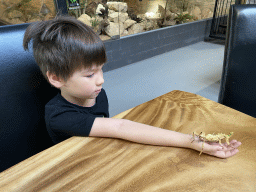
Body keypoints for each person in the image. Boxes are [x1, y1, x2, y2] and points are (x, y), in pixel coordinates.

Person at [23, 15, 241, 159]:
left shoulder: (97, 93)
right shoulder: (59, 116)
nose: (101, 80)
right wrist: (190, 141)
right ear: (56, 79)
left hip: (102, 154)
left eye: (101, 69)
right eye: (89, 74)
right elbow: (119, 127)